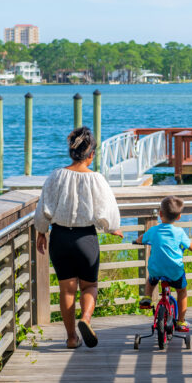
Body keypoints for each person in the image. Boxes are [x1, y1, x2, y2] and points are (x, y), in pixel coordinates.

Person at [34, 126, 122, 349]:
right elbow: (107, 210)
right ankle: (86, 319)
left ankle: (72, 337)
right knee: (89, 286)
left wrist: (41, 231)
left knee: (67, 289)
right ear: (91, 154)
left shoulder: (56, 175)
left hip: (60, 237)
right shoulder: (97, 179)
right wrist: (111, 227)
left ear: (71, 152)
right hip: (86, 239)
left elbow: (44, 207)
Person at [135, 195, 192, 332]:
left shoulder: (153, 230)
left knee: (151, 279)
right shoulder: (179, 232)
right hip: (174, 271)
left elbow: (141, 239)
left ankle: (147, 297)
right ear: (179, 217)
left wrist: (137, 241)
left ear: (160, 214)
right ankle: (181, 322)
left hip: (156, 269)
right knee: (182, 292)